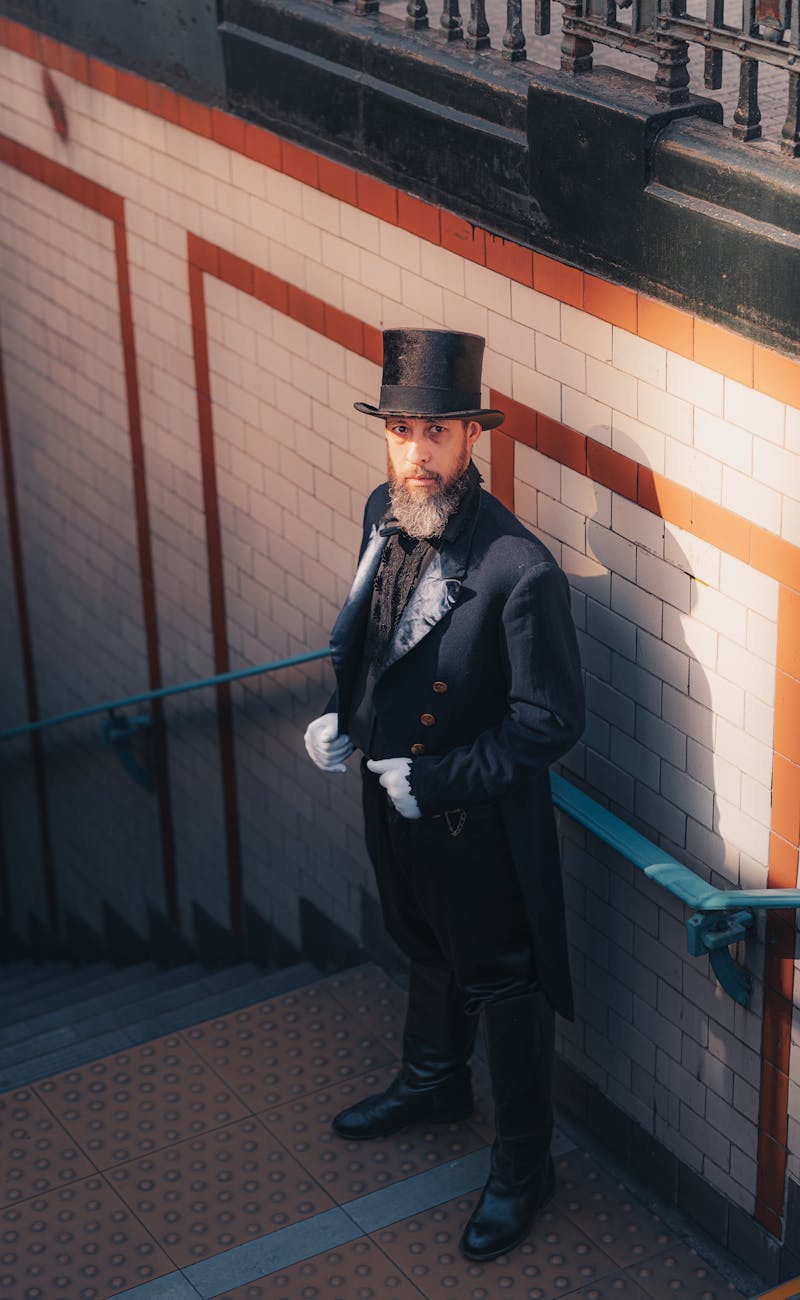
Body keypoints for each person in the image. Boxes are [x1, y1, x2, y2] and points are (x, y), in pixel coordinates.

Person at [304, 328, 585, 1261]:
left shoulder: (519, 570)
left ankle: (523, 1164)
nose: (413, 455)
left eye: (434, 433)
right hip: (391, 797)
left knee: (504, 983)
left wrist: (432, 779)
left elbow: (549, 726)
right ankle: (433, 1081)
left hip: (474, 824)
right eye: (399, 431)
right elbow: (377, 640)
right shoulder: (382, 512)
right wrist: (344, 715)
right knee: (421, 941)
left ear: (473, 439)